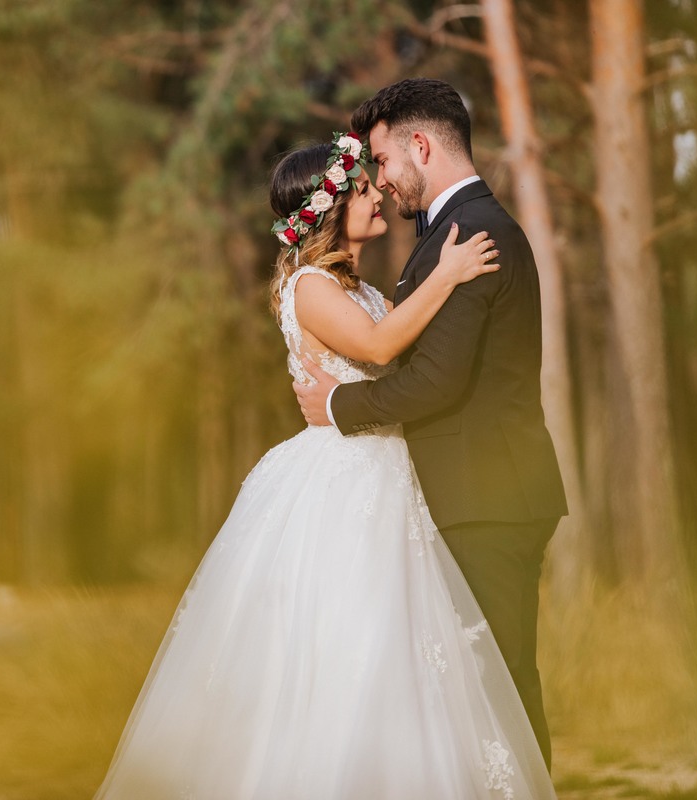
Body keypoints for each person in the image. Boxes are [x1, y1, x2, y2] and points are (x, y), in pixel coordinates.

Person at [94, 130, 556, 799]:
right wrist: (450, 275)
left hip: (390, 472)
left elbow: (409, 350)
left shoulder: (360, 286)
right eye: (361, 187)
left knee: (408, 659)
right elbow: (379, 343)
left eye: (372, 181)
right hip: (344, 483)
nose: (376, 192)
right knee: (354, 648)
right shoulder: (309, 286)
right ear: (328, 206)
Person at [293, 79, 569, 769]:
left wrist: (336, 407)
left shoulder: (474, 232)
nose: (380, 181)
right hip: (467, 496)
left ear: (421, 145)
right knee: (471, 692)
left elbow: (434, 380)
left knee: (499, 683)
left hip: (489, 498)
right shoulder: (453, 235)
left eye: (383, 161)